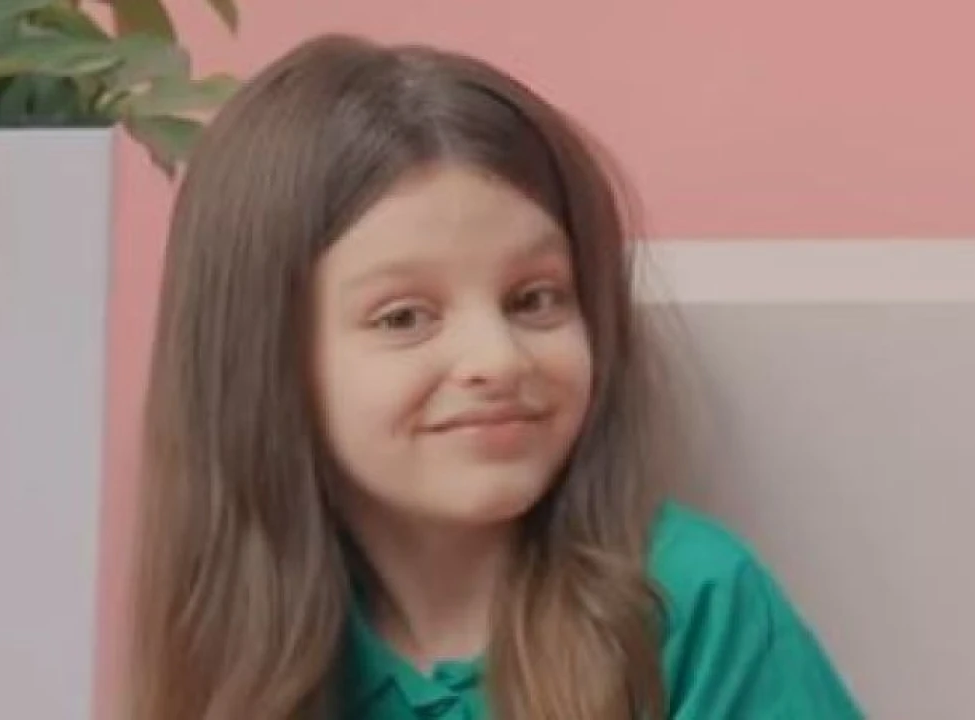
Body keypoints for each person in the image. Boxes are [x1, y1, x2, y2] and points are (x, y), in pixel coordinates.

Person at [128, 33, 863, 720]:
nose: (498, 359)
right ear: (266, 362)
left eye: (533, 300)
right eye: (404, 317)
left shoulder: (691, 605)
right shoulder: (236, 649)